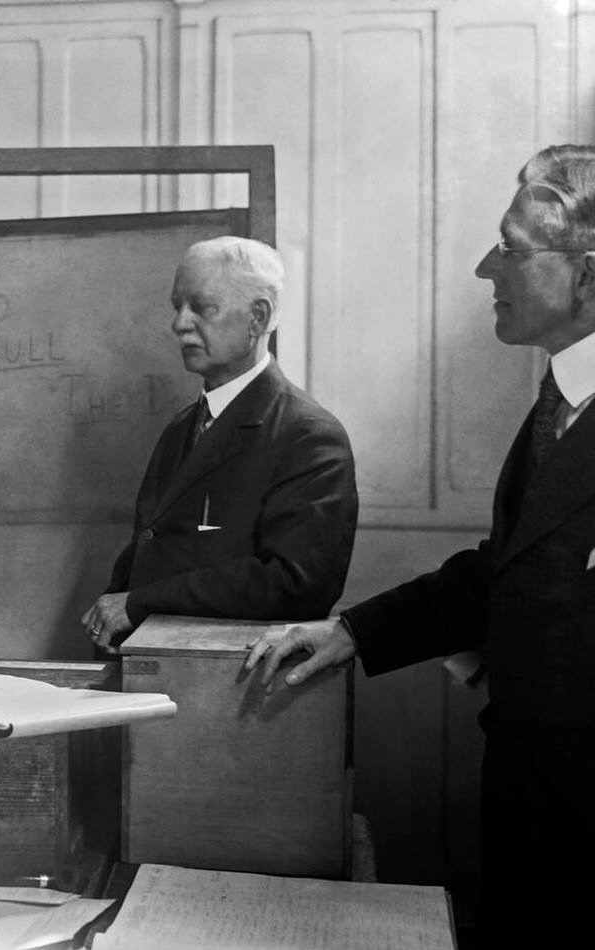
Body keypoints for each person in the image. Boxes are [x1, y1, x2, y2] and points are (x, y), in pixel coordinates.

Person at [244, 146, 595, 948]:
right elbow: (507, 571)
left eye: (510, 248)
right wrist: (350, 631)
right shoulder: (559, 398)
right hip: (531, 805)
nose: (484, 268)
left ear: (587, 274)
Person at [80, 235, 358, 650]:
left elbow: (298, 583)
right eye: (178, 306)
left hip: (233, 684)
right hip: (157, 662)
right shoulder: (181, 428)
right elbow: (152, 545)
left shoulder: (310, 436)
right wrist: (116, 611)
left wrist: (137, 604)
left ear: (258, 318)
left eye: (202, 307)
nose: (179, 323)